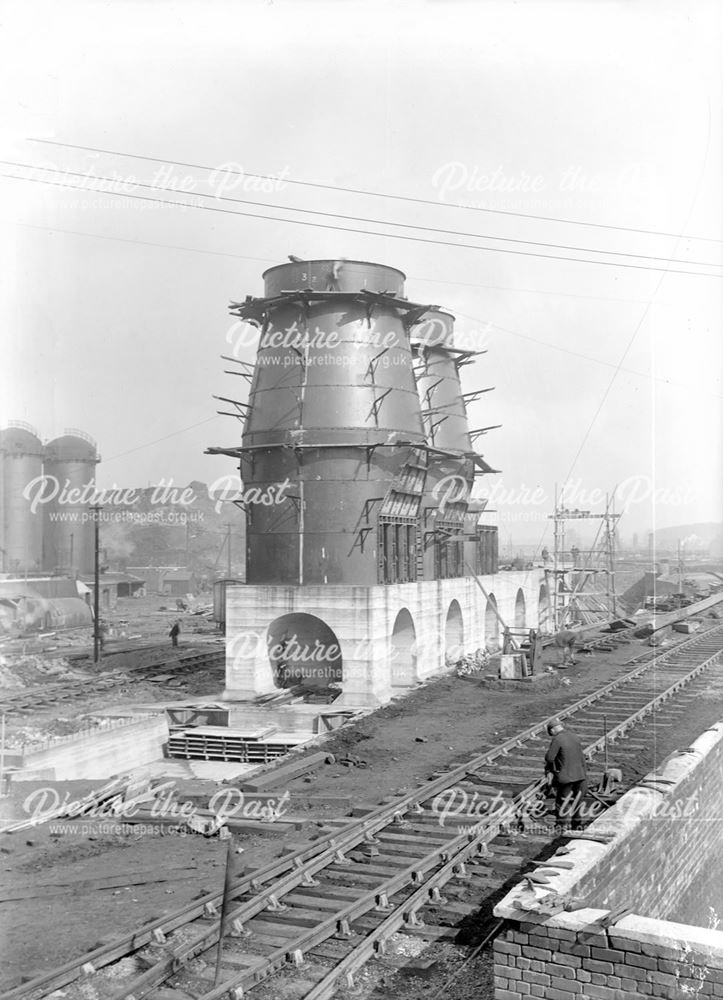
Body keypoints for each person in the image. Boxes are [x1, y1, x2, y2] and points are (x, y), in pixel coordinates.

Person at [544, 718, 587, 831]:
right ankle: (577, 826)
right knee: (577, 801)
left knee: (562, 801)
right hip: (580, 775)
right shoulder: (574, 737)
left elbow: (550, 758)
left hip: (566, 777)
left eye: (551, 733)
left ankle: (560, 826)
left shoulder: (557, 739)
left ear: (553, 730)